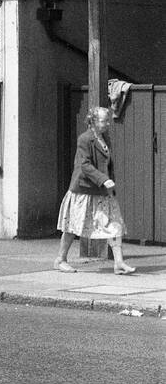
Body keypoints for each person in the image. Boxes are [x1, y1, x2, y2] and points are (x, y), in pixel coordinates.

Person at [55, 106, 134, 275]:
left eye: (107, 120)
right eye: (103, 120)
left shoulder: (105, 138)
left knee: (114, 224)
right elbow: (84, 165)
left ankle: (119, 262)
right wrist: (104, 179)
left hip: (101, 191)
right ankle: (61, 259)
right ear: (93, 121)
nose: (107, 123)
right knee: (73, 226)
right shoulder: (85, 139)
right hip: (83, 190)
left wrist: (108, 182)